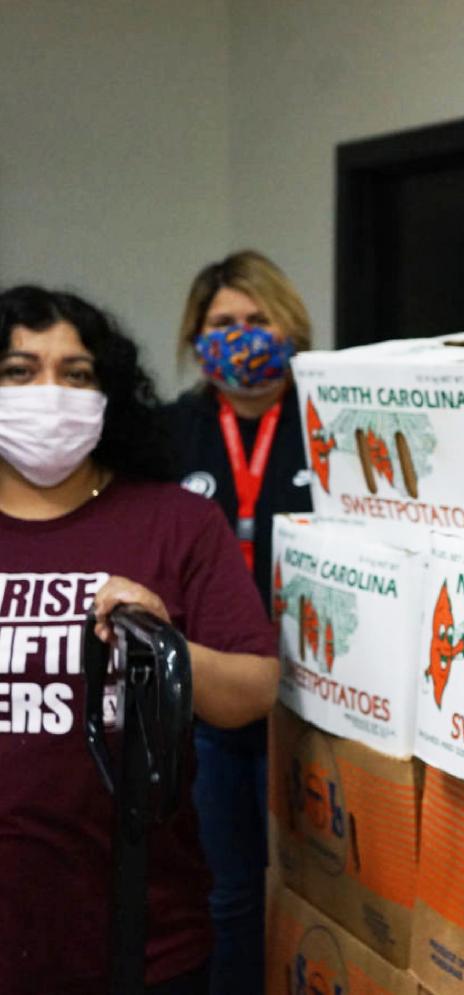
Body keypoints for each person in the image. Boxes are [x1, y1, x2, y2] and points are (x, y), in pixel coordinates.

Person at [0, 285, 279, 994]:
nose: (50, 393)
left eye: (77, 373)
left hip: (138, 941)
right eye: (20, 370)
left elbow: (250, 691)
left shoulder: (176, 520)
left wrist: (164, 643)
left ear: (110, 392)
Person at [162, 250, 314, 994]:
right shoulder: (169, 433)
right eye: (224, 323)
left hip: (320, 701)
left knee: (320, 885)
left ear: (291, 324)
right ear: (196, 337)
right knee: (229, 891)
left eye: (258, 319)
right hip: (215, 699)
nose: (243, 335)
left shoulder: (329, 420)